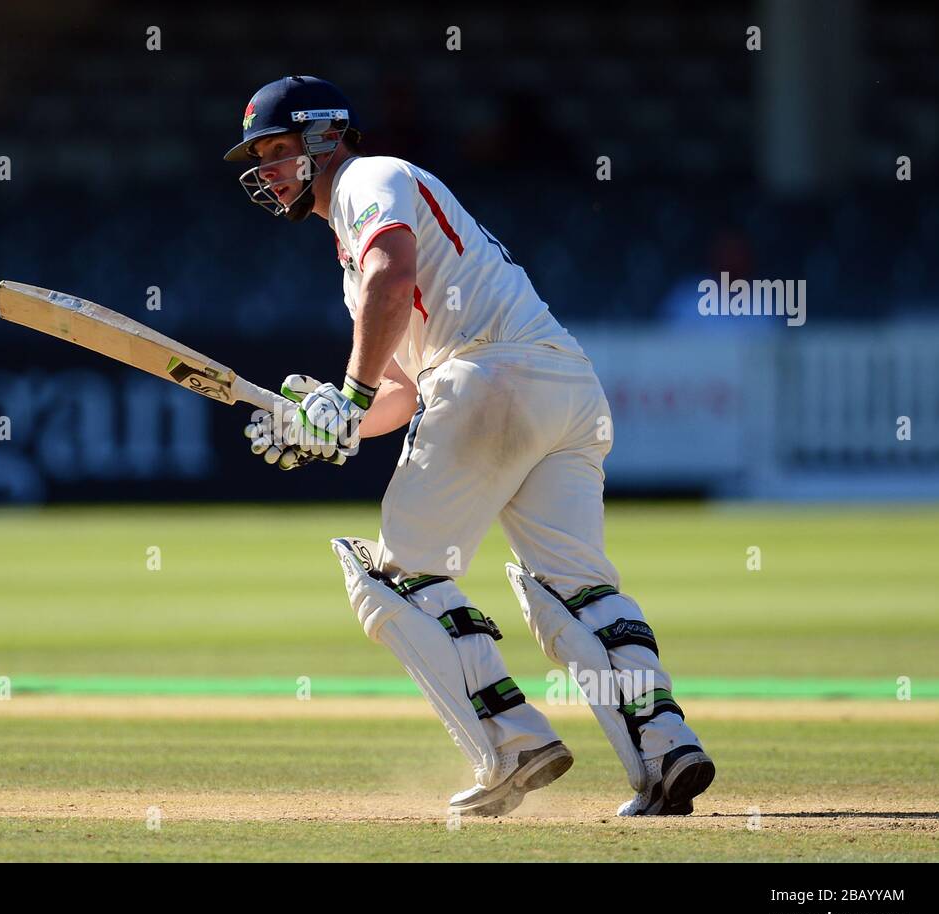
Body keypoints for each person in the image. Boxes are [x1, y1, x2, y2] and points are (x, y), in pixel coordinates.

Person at [228, 75, 714, 817]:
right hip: (562, 386)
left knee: (390, 576)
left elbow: (395, 282)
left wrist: (346, 398)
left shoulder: (367, 177)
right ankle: (666, 746)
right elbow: (402, 385)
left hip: (486, 375)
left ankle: (513, 740)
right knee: (575, 590)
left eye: (277, 149)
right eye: (258, 157)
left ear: (325, 137)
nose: (265, 170)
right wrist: (326, 420)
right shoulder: (358, 232)